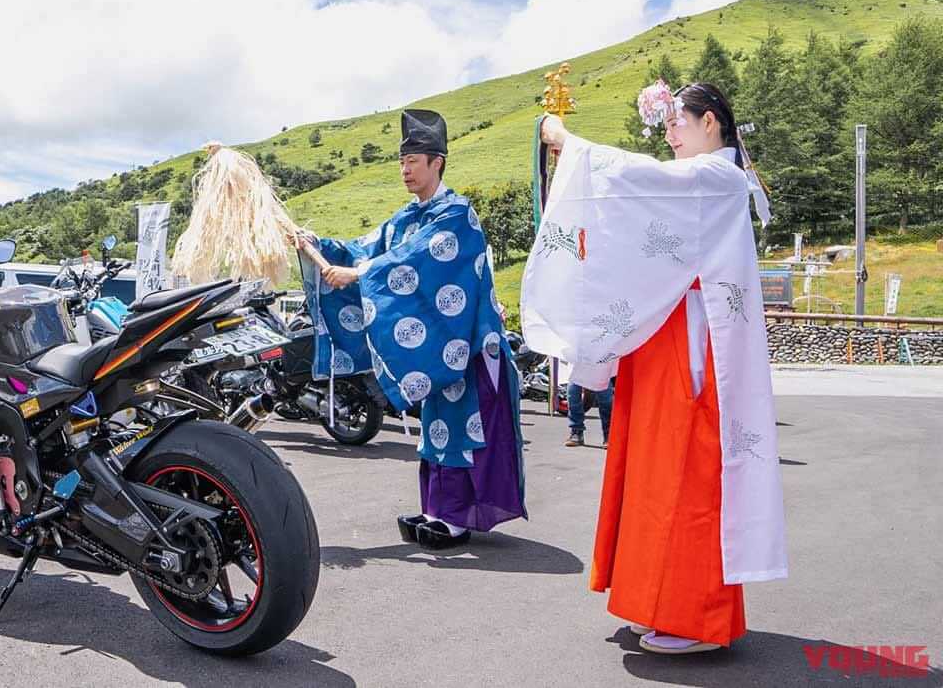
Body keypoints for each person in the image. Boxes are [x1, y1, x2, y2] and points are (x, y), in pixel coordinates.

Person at [521, 81, 787, 655]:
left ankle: (697, 616)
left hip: (696, 342)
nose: (669, 136)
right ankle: (659, 600)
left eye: (678, 124)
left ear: (710, 123)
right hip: (668, 334)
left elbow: (636, 180)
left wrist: (569, 142)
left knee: (689, 476)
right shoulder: (707, 179)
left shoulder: (717, 176)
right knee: (654, 471)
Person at [296, 109, 527, 549]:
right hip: (434, 346)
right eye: (401, 162)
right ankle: (435, 508)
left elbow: (416, 259)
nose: (405, 170)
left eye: (413, 161)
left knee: (460, 425)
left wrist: (360, 273)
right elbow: (365, 247)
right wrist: (318, 244)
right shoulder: (405, 218)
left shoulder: (458, 214)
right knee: (435, 425)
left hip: (470, 344)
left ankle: (456, 518)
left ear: (437, 161)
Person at [565, 379, 613, 447]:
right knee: (573, 392)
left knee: (605, 399)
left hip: (601, 370)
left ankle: (609, 435)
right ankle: (576, 431)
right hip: (579, 370)